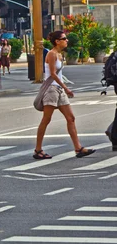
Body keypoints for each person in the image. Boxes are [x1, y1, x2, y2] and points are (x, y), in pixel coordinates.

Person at [33, 31, 96, 159]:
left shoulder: (60, 55)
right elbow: (53, 74)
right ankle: (38, 150)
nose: (67, 40)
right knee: (46, 119)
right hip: (51, 89)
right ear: (57, 41)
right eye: (64, 38)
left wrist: (63, 89)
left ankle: (78, 148)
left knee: (71, 118)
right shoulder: (51, 54)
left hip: (59, 90)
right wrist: (66, 88)